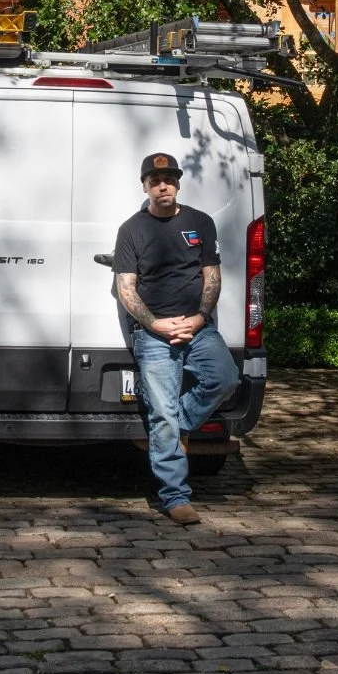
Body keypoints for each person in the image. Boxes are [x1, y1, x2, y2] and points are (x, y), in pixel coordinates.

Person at [111, 152, 238, 525]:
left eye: (168, 178)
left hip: (198, 329)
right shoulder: (131, 230)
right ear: (145, 185)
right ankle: (175, 497)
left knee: (225, 379)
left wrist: (199, 319)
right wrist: (155, 324)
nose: (162, 185)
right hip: (153, 334)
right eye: (154, 180)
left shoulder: (200, 222)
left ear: (178, 182)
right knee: (160, 412)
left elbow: (211, 275)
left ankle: (181, 425)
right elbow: (125, 288)